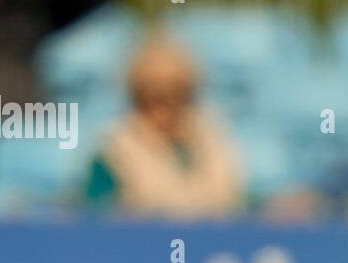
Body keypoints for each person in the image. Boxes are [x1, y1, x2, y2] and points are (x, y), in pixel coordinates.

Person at [85, 35, 244, 218]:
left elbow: (238, 207)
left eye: (176, 90)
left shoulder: (216, 142)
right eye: (153, 90)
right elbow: (94, 216)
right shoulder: (113, 150)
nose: (167, 102)